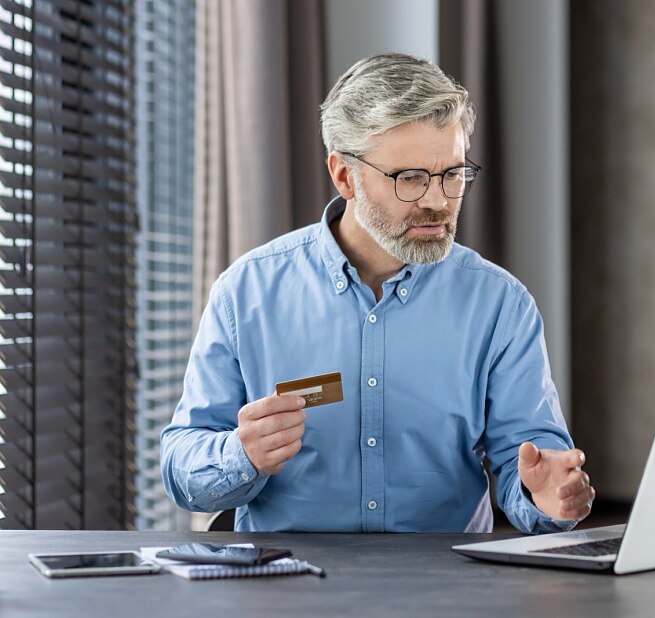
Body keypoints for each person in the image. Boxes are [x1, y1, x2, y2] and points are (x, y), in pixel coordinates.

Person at [161, 53, 595, 533]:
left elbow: (529, 464)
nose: (437, 201)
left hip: (445, 592)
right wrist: (240, 455)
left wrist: (548, 494)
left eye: (452, 174)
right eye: (409, 178)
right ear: (345, 176)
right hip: (286, 591)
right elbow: (181, 465)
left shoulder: (500, 305)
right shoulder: (245, 294)